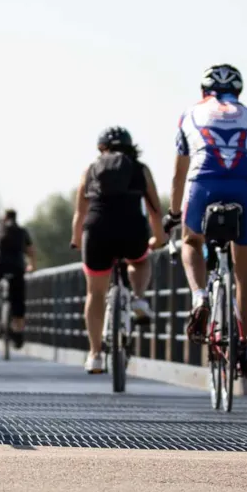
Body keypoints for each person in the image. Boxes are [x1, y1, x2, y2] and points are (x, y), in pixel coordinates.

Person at [163, 64, 247, 378]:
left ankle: (199, 296)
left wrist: (174, 214)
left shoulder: (190, 114)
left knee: (191, 241)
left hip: (203, 183)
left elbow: (178, 174)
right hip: (245, 186)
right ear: (239, 91)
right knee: (245, 268)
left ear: (203, 91)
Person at [71, 126, 167, 374]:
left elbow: (80, 212)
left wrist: (76, 240)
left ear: (101, 148)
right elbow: (155, 209)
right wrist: (159, 237)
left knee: (95, 293)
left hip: (97, 228)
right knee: (140, 260)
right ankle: (138, 298)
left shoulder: (90, 170)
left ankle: (95, 355)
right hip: (131, 226)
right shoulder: (140, 169)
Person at [0, 209, 36, 348]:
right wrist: (32, 265)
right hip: (17, 266)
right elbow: (30, 251)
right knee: (18, 300)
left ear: (3, 218)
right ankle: (18, 331)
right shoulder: (22, 231)